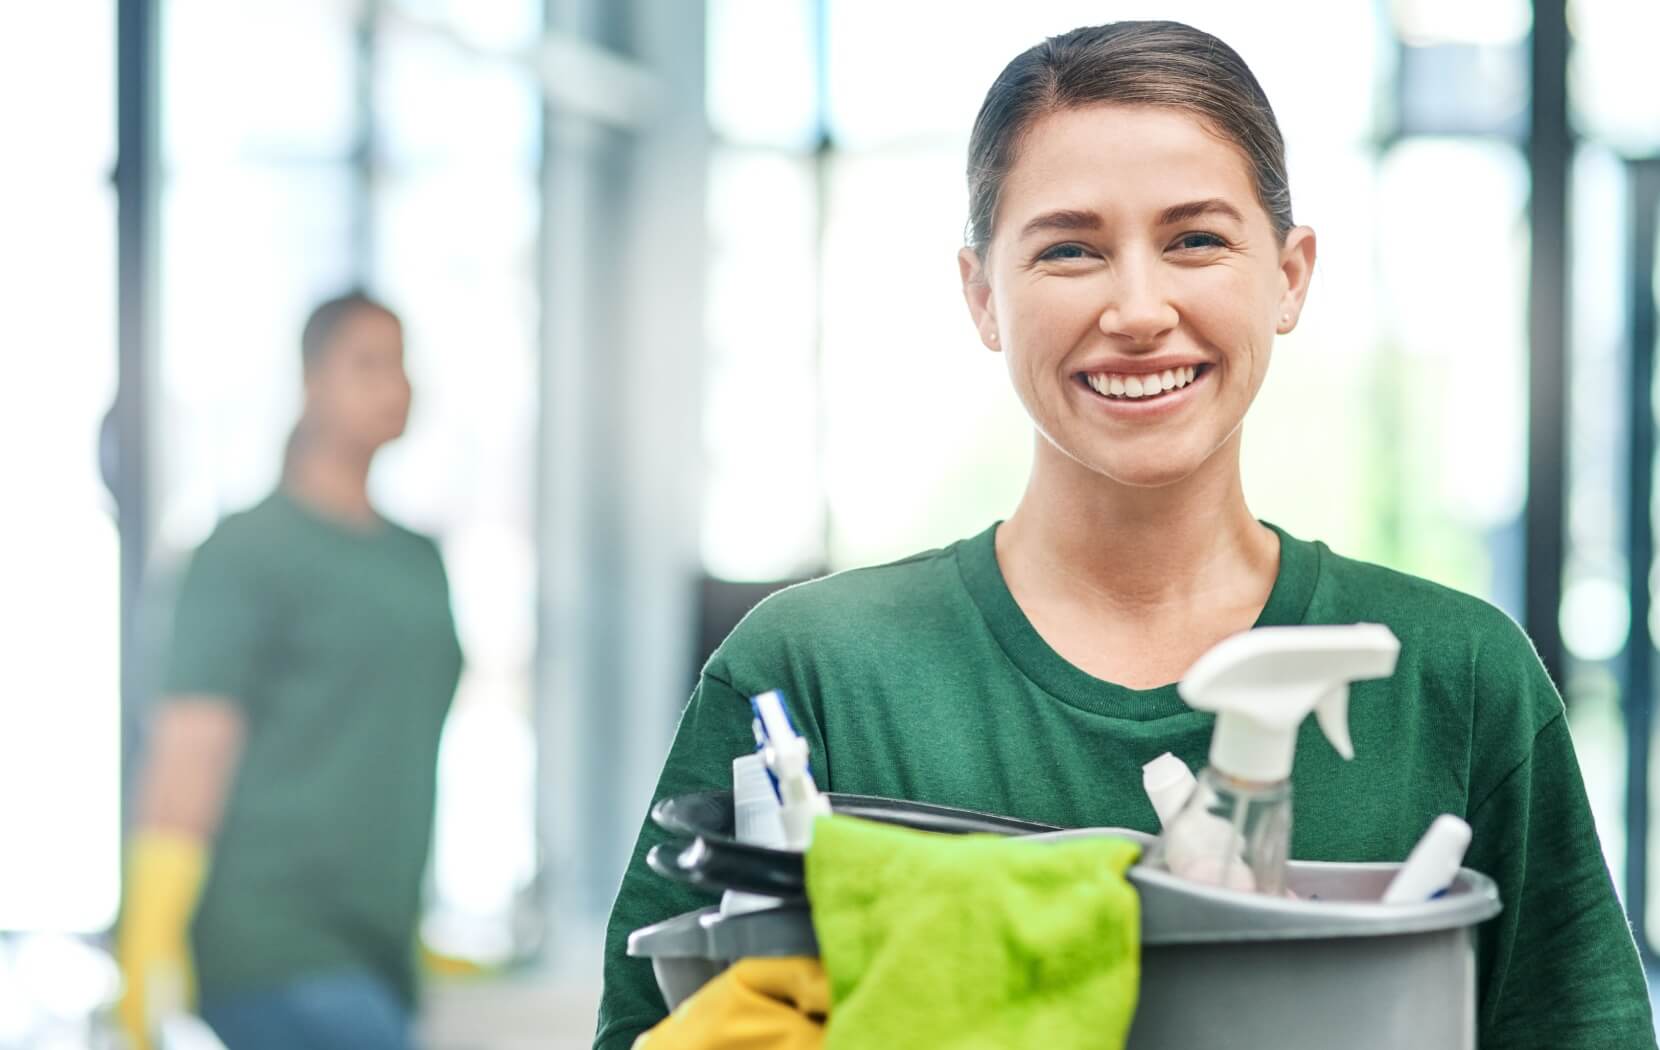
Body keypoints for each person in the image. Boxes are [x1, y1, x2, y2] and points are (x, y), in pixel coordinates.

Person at [595, 20, 1659, 1049]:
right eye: (1070, 250)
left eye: (1195, 239)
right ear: (980, 295)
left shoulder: (1457, 678)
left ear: (1288, 275)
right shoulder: (812, 675)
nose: (1139, 308)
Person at [117, 292, 463, 1050]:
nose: (393, 385)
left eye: (401, 364)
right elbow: (189, 750)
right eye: (365, 363)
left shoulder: (418, 562)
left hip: (378, 948)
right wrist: (147, 937)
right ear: (311, 383)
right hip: (273, 941)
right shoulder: (243, 551)